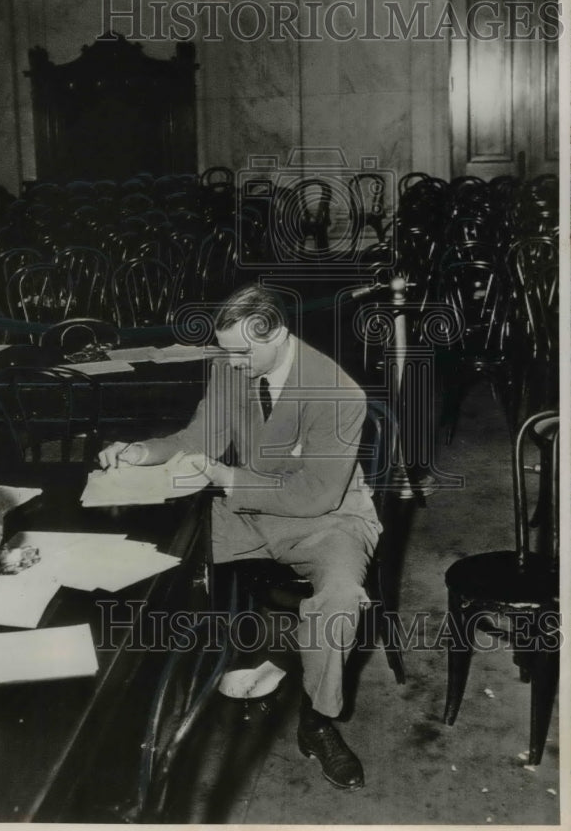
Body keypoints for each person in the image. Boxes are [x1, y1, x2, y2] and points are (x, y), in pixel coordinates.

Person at [98, 283, 380, 791]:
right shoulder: (234, 364)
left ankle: (317, 722)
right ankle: (199, 684)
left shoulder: (337, 391)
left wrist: (226, 479)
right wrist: (139, 451)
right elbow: (197, 438)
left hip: (327, 518)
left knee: (338, 599)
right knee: (164, 560)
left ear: (279, 334)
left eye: (243, 352)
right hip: (248, 509)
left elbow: (316, 493)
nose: (232, 363)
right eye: (226, 352)